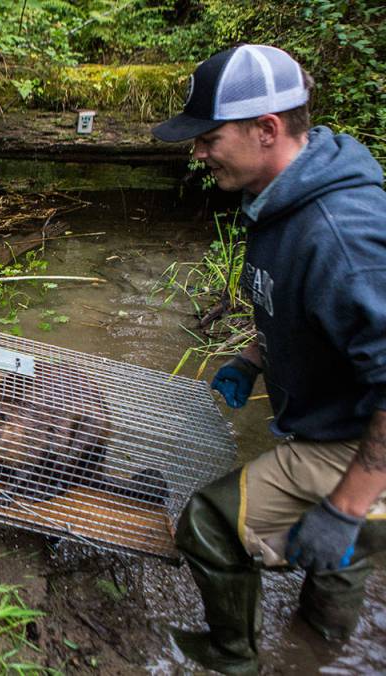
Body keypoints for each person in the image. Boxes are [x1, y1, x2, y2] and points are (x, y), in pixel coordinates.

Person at [152, 44, 386, 674]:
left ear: (267, 129)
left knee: (207, 522)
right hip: (339, 419)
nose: (196, 151)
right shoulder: (284, 197)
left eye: (208, 136)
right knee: (342, 553)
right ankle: (323, 648)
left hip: (358, 436)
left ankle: (233, 659)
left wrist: (344, 506)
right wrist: (256, 358)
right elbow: (309, 313)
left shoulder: (344, 232)